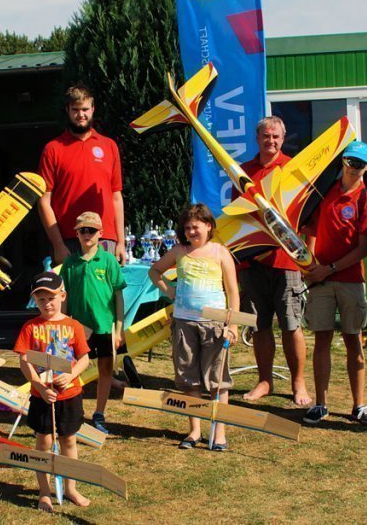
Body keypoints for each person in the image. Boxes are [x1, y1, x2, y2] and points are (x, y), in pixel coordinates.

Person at [149, 204, 240, 450]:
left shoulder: (220, 252)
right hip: (184, 324)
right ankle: (194, 431)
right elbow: (155, 271)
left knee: (217, 381)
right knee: (189, 380)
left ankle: (219, 433)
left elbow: (233, 292)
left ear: (208, 226)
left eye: (195, 227)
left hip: (214, 325)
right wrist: (170, 290)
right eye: (187, 228)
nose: (191, 232)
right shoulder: (179, 250)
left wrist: (233, 326)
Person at [301, 141, 367, 426]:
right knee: (321, 340)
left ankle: (359, 405)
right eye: (349, 161)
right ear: (342, 161)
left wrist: (328, 269)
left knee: (353, 340)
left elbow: (363, 250)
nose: (353, 168)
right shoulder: (325, 193)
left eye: (359, 164)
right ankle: (320, 404)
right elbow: (309, 228)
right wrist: (309, 264)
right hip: (320, 280)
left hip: (349, 280)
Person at [236, 116, 311, 406]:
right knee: (259, 326)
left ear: (283, 138)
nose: (271, 141)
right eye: (266, 136)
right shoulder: (243, 172)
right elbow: (237, 216)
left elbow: (306, 215)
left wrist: (306, 257)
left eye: (276, 137)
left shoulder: (293, 170)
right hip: (253, 261)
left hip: (286, 261)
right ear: (258, 139)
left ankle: (298, 383)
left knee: (291, 324)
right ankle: (264, 381)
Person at [15, 271, 92, 512]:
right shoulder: (30, 327)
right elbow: (24, 360)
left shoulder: (73, 326)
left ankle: (71, 488)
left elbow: (84, 358)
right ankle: (44, 492)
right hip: (42, 396)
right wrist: (37, 385)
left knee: (68, 440)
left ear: (62, 296)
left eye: (51, 298)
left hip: (69, 395)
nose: (46, 303)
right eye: (40, 299)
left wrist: (72, 375)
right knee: (44, 442)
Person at [38, 84, 127, 266]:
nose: (81, 115)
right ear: (68, 110)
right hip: (68, 240)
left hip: (105, 239)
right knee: (68, 295)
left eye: (85, 109)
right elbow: (43, 201)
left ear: (93, 109)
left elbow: (116, 197)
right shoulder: (53, 149)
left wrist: (121, 241)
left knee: (104, 294)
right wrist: (58, 244)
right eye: (76, 110)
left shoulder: (109, 146)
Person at [59, 211, 125, 434]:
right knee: (74, 369)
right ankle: (74, 411)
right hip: (78, 328)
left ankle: (99, 413)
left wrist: (118, 328)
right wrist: (63, 324)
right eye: (82, 230)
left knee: (105, 370)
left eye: (92, 230)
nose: (87, 234)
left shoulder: (108, 260)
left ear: (101, 233)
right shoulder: (70, 262)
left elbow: (118, 296)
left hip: (104, 326)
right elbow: (63, 296)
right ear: (76, 234)